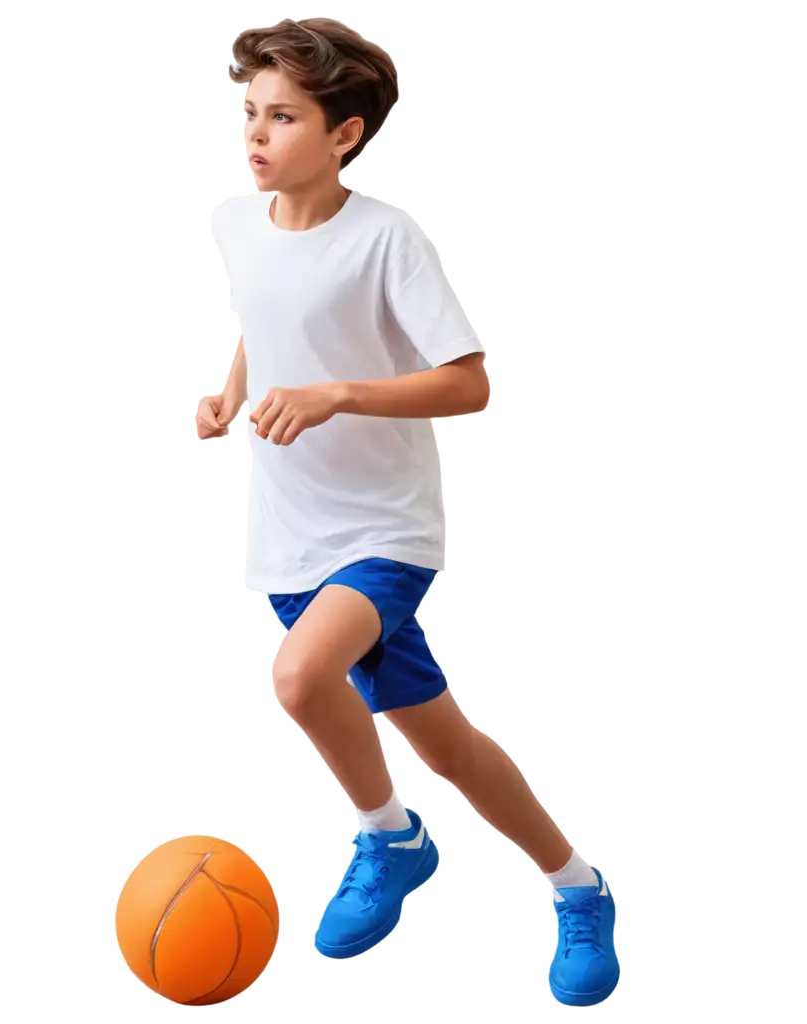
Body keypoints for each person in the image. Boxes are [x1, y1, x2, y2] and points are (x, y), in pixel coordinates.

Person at [192, 16, 621, 1006]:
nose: (257, 135)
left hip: (381, 531)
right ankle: (577, 885)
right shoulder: (232, 221)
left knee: (300, 682)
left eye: (284, 117)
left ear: (342, 134)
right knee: (451, 748)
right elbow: (263, 321)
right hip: (287, 538)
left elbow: (466, 384)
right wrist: (230, 395)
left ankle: (385, 834)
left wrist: (337, 393)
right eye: (249, 114)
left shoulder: (388, 236)